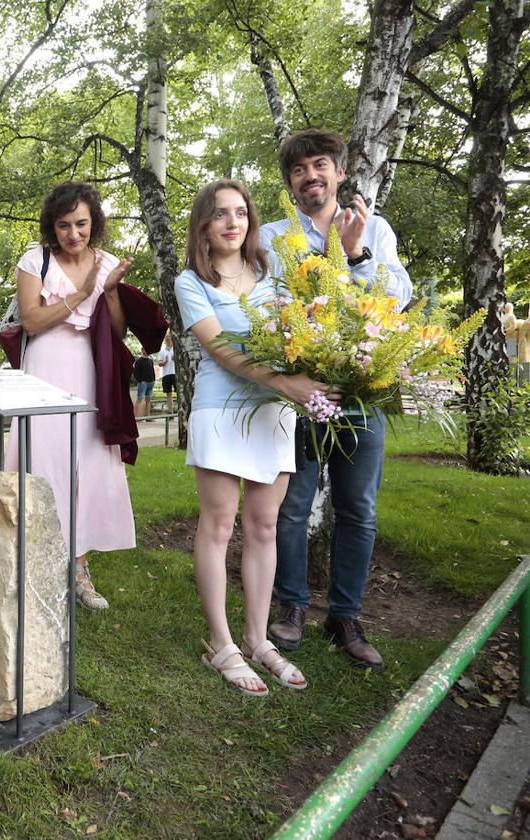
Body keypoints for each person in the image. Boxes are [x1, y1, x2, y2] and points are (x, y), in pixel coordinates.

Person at [262, 129, 413, 672]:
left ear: (340, 172)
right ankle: (293, 605)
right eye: (299, 171)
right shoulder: (275, 236)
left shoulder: (375, 228)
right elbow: (270, 303)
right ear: (291, 183)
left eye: (320, 165)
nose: (310, 177)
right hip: (302, 390)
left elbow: (397, 299)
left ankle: (346, 615)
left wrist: (354, 254)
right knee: (292, 506)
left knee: (359, 510)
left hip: (365, 386)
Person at [175, 179, 327, 695]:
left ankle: (259, 639)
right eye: (220, 214)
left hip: (273, 415)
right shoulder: (191, 281)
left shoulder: (272, 272)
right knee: (218, 526)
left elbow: (300, 333)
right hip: (221, 410)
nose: (232, 222)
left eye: (240, 212)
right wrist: (289, 383)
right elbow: (221, 351)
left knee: (264, 527)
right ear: (204, 224)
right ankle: (222, 644)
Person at [2, 181, 140, 609]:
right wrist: (80, 295)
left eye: (81, 223)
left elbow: (117, 333)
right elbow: (31, 320)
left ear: (94, 222)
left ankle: (79, 569)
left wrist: (111, 289)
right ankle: (34, 567)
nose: (73, 234)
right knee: (41, 463)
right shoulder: (34, 260)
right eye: (64, 226)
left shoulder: (108, 262)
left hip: (90, 372)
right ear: (52, 227)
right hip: (44, 370)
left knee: (87, 464)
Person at [134, 351, 157, 418]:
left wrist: (153, 379)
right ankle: (136, 417)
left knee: (148, 400)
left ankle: (148, 417)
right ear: (142, 350)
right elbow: (135, 373)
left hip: (151, 382)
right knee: (140, 399)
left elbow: (152, 370)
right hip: (143, 383)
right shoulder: (139, 361)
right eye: (144, 349)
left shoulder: (150, 360)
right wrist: (140, 381)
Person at [158, 334, 177, 414]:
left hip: (175, 374)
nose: (168, 339)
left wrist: (175, 358)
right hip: (166, 374)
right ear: (165, 341)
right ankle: (170, 411)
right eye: (166, 338)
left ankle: (180, 410)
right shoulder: (162, 351)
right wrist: (164, 362)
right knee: (168, 394)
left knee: (179, 392)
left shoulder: (176, 349)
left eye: (169, 338)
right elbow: (159, 363)